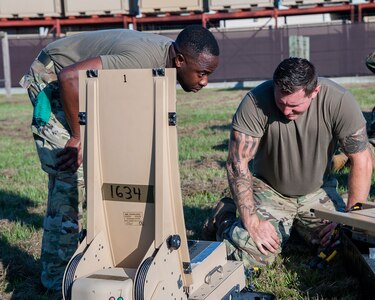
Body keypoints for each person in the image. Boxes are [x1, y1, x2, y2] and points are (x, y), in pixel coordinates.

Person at [19, 25, 219, 293]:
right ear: (180, 61)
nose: (205, 81)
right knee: (71, 174)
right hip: (54, 77)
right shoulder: (140, 60)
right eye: (202, 73)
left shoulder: (170, 58)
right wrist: (78, 136)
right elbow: (69, 77)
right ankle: (56, 280)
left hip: (85, 82)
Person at [203, 57, 372, 268]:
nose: (285, 111)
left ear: (315, 92)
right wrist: (252, 222)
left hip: (317, 192)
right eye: (280, 102)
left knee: (345, 245)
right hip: (270, 191)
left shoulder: (339, 101)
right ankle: (223, 217)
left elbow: (362, 160)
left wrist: (348, 220)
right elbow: (237, 164)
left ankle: (301, 229)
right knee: (253, 255)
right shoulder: (255, 101)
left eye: (294, 106)